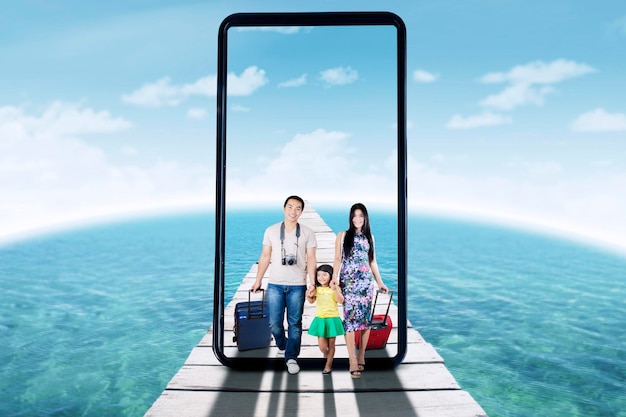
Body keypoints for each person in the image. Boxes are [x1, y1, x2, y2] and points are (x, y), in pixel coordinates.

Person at [251, 195, 317, 375]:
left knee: (294, 323)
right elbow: (265, 256)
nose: (293, 211)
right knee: (274, 324)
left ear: (302, 212)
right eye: (290, 207)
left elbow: (311, 258)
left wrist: (312, 282)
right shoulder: (271, 231)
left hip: (298, 285)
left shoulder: (308, 233)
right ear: (284, 208)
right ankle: (283, 344)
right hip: (275, 284)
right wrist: (258, 280)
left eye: (297, 208)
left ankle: (291, 357)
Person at [333, 202, 388, 379]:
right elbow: (337, 259)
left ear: (365, 218)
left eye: (361, 216)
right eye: (355, 216)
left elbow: (372, 262)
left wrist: (380, 282)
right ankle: (352, 360)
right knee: (349, 321)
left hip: (365, 285)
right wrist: (334, 279)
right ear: (351, 218)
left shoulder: (370, 237)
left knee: (365, 321)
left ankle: (362, 353)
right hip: (348, 284)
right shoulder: (342, 235)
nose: (357, 219)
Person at [306, 264, 345, 374]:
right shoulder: (318, 288)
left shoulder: (335, 288)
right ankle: (327, 356)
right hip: (320, 319)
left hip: (332, 319)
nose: (321, 277)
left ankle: (328, 365)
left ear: (331, 276)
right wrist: (308, 294)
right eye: (318, 275)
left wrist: (335, 289)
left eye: (324, 275)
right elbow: (311, 300)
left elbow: (341, 301)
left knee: (331, 344)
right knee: (323, 346)